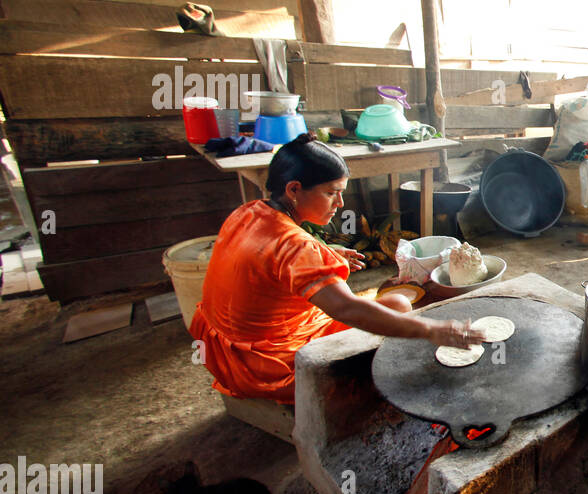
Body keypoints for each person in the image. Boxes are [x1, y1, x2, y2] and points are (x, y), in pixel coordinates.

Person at [189, 133, 483, 404]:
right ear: (294, 189)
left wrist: (327, 252)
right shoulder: (298, 247)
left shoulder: (247, 212)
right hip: (266, 366)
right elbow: (348, 309)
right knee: (397, 308)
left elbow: (264, 260)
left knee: (393, 303)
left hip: (220, 351)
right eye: (332, 193)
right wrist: (433, 330)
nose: (340, 204)